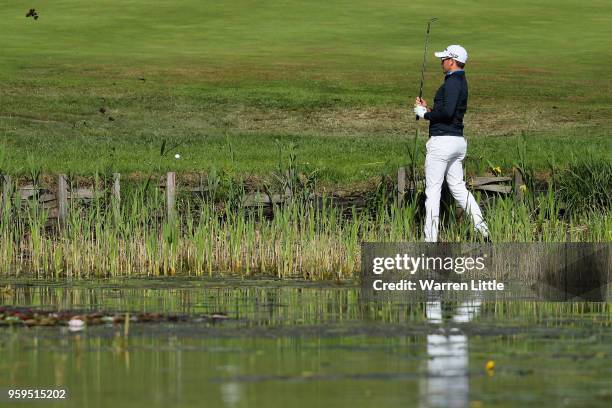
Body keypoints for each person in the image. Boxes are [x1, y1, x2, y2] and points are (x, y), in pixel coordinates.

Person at [413, 45, 489, 242]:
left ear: (452, 61)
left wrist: (425, 114)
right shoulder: (459, 81)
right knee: (457, 187)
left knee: (433, 192)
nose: (441, 61)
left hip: (442, 144)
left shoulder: (452, 83)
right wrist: (428, 108)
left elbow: (446, 114)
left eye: (444, 58)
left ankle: (429, 242)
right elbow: (449, 112)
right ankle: (484, 231)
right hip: (456, 142)